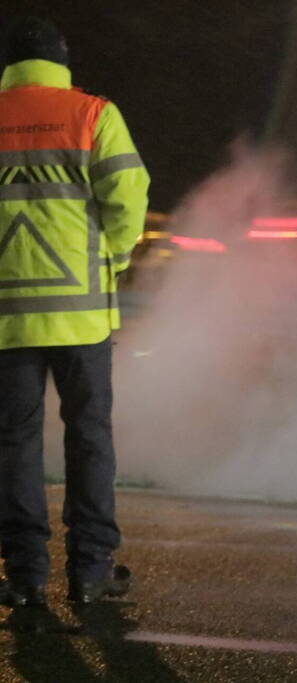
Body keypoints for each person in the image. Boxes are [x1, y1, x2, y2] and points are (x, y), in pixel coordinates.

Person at [0, 17, 149, 606]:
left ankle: (24, 575)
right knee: (89, 436)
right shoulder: (92, 114)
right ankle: (89, 570)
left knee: (14, 441)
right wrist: (113, 256)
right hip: (80, 312)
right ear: (61, 62)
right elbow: (128, 195)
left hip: (7, 316)